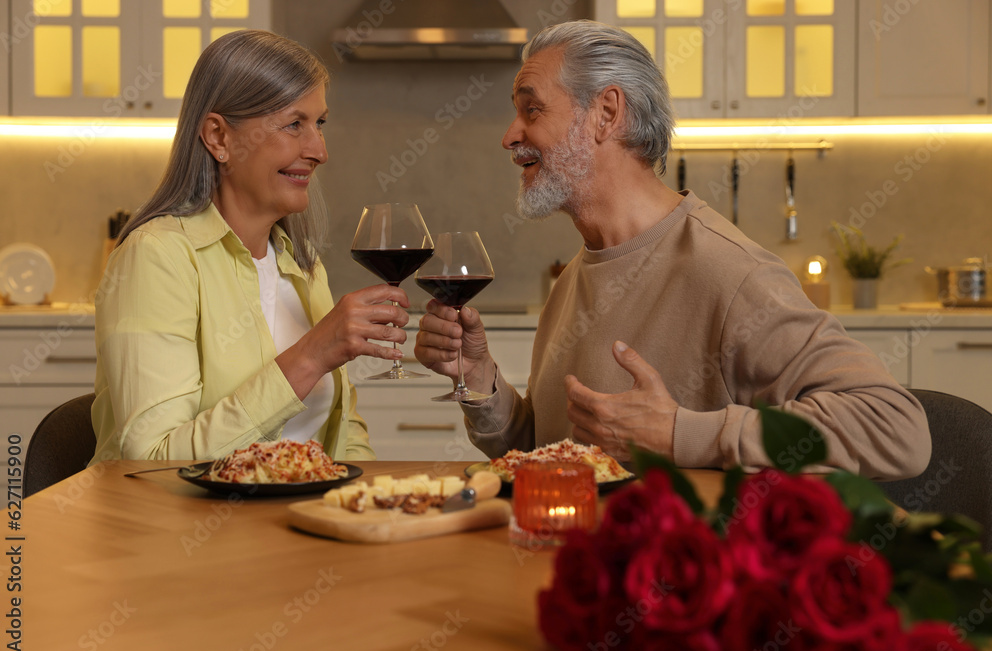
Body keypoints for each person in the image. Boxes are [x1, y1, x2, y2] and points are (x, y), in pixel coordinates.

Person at [414, 20, 931, 480]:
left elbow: (894, 427)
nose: (510, 135)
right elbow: (548, 457)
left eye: (532, 109)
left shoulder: (729, 271)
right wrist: (477, 378)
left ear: (606, 113)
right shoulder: (575, 276)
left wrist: (680, 434)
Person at [90, 30, 409, 463]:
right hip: (180, 529)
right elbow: (153, 459)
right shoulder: (156, 257)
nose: (319, 150)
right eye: (295, 124)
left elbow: (343, 433)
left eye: (320, 124)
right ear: (219, 138)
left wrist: (368, 506)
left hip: (299, 524)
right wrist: (311, 355)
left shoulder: (303, 267)